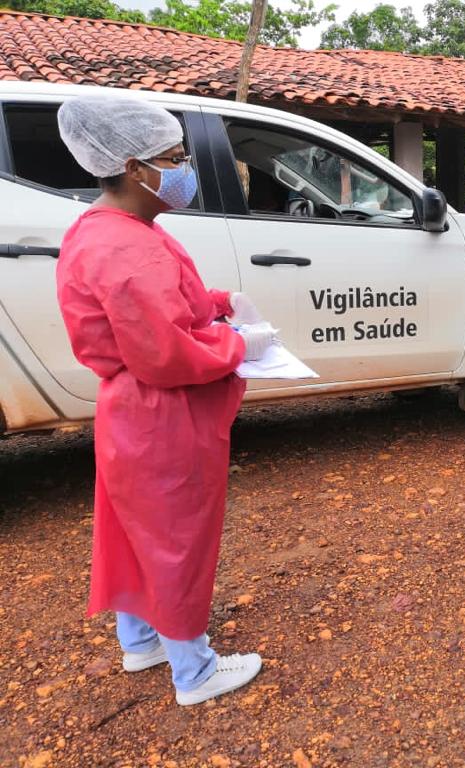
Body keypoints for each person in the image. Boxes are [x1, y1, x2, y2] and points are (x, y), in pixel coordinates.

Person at [56, 95, 274, 706]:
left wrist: (217, 302)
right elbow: (166, 350)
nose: (185, 168)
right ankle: (195, 672)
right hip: (161, 410)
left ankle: (142, 640)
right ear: (133, 167)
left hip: (129, 411)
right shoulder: (125, 247)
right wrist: (238, 345)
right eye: (174, 158)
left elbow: (164, 305)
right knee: (176, 535)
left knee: (134, 531)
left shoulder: (112, 228)